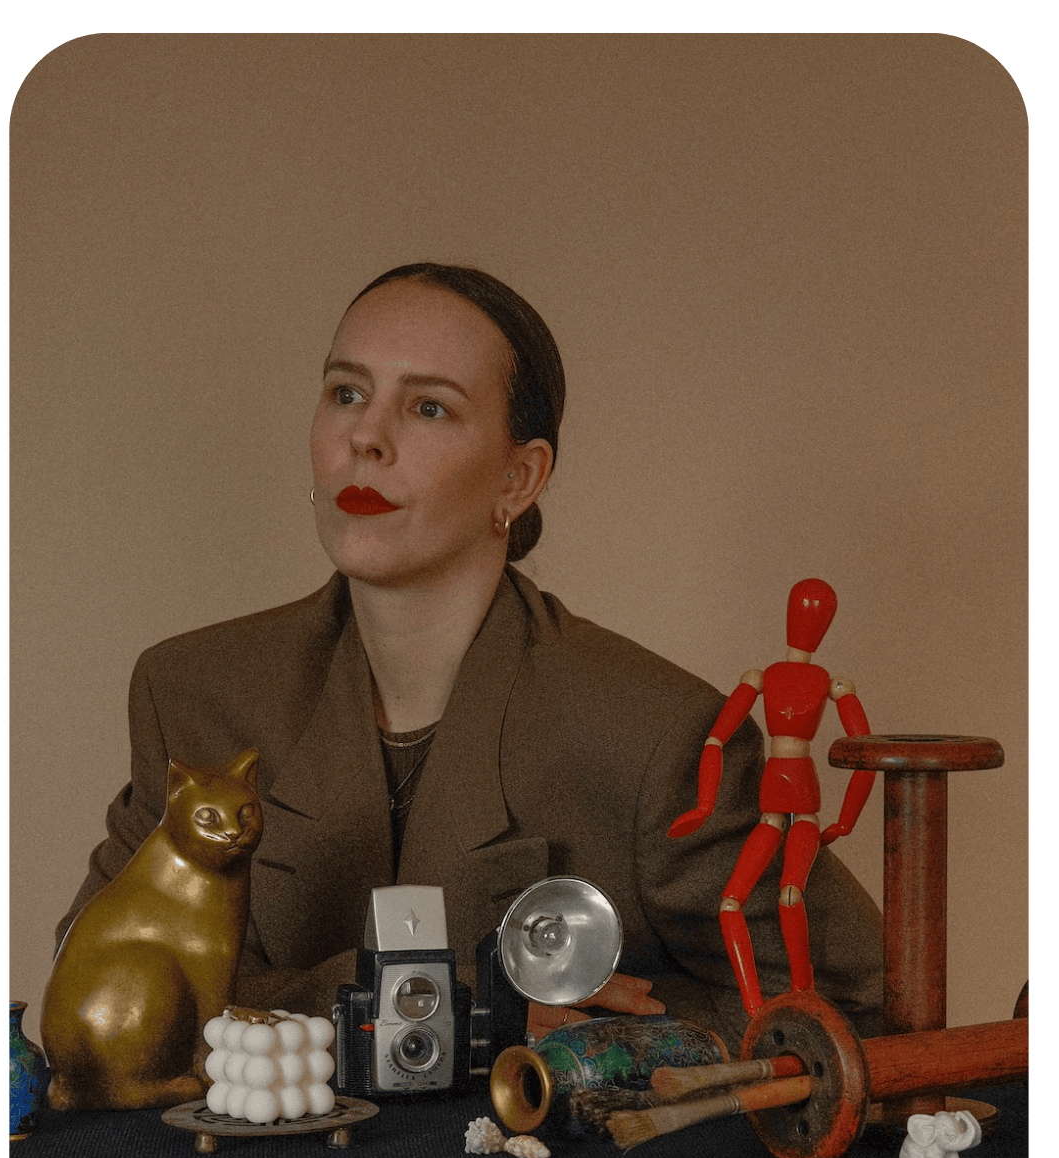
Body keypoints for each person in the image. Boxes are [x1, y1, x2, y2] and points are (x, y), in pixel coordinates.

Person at [55, 262, 883, 1054]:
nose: (365, 438)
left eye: (429, 410)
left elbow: (852, 1005)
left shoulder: (653, 734)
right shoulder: (192, 692)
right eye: (347, 393)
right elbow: (87, 995)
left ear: (519, 480)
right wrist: (420, 1006)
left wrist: (615, 1039)